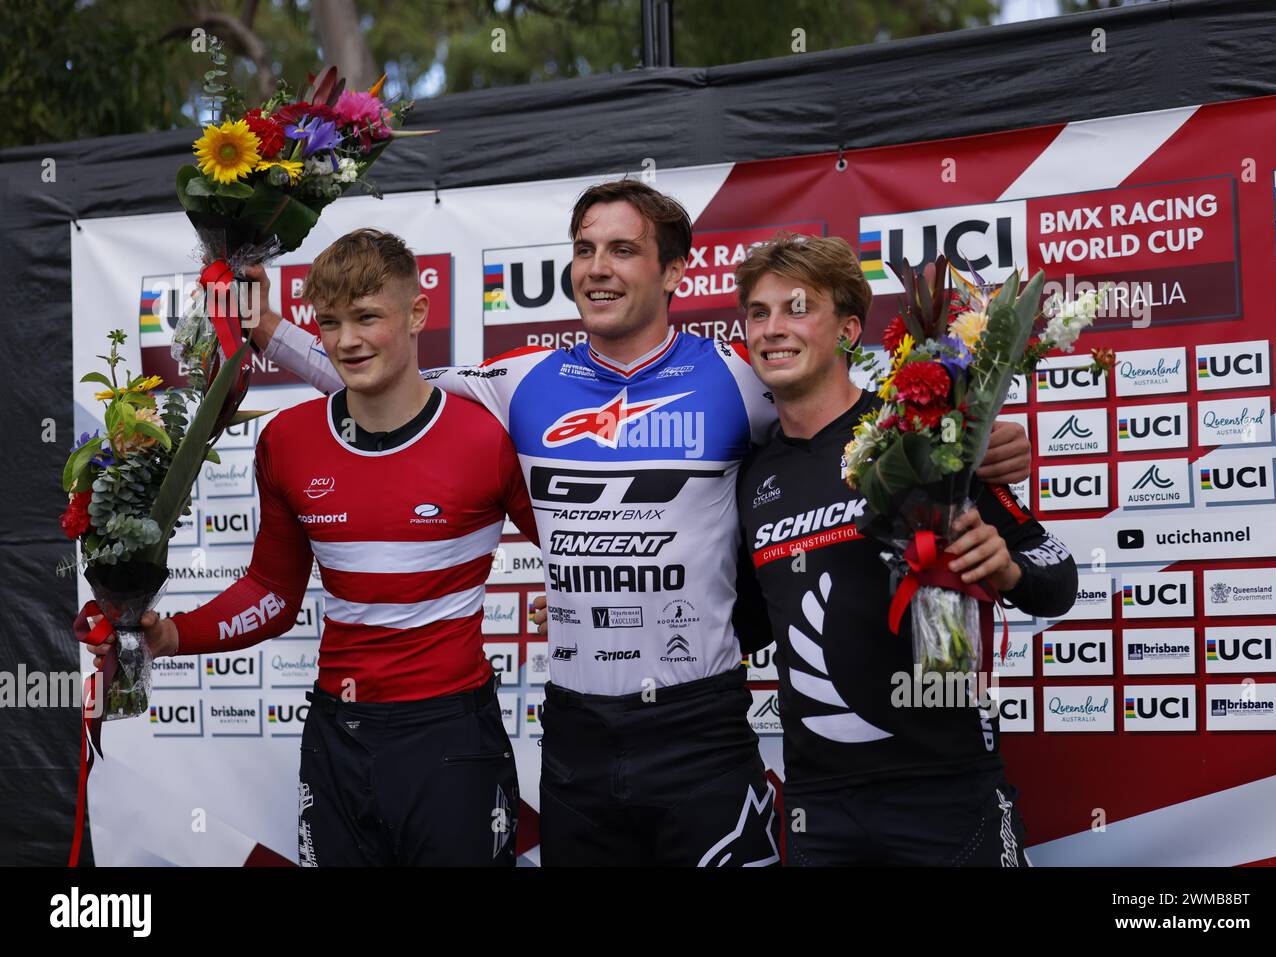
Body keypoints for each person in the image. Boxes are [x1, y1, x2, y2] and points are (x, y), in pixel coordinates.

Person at [249, 181, 1034, 866]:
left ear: (674, 271)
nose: (597, 266)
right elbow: (382, 382)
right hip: (578, 731)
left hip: (700, 726)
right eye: (585, 248)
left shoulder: (742, 376)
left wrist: (976, 442)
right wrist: (267, 329)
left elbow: (863, 428)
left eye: (623, 249)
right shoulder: (519, 381)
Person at [79, 229, 537, 866]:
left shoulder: (486, 435)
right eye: (329, 321)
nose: (347, 340)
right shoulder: (289, 439)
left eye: (367, 317)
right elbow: (271, 592)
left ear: (417, 314)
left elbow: (576, 550)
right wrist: (166, 637)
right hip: (337, 736)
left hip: (452, 735)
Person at [733, 232, 1077, 865]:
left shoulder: (922, 430)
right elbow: (742, 622)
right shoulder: (752, 478)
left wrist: (1004, 568)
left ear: (847, 329)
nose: (773, 329)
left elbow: (1057, 575)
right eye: (759, 312)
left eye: (798, 308)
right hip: (821, 805)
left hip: (947, 788)